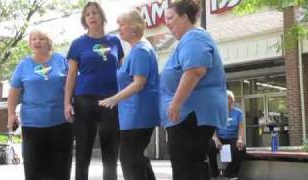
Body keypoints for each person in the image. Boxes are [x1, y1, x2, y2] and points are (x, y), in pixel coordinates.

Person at [160, 0, 228, 180]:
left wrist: (175, 103)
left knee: (186, 166)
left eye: (170, 17)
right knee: (190, 165)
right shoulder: (190, 39)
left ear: (184, 17)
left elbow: (195, 70)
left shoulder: (194, 37)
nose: (167, 23)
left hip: (192, 114)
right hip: (190, 115)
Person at [64, 1, 124, 180]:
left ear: (102, 16)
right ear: (84, 19)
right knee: (83, 149)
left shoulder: (114, 41)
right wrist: (67, 102)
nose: (91, 16)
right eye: (88, 14)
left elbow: (121, 70)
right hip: (85, 100)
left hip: (111, 100)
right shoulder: (78, 44)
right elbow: (71, 75)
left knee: (110, 150)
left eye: (94, 13)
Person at [99, 9, 160, 180]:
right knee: (135, 158)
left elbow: (139, 83)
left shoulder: (141, 50)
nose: (119, 29)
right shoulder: (136, 49)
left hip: (138, 114)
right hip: (133, 115)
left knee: (129, 159)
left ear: (134, 27)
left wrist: (113, 99)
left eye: (122, 25)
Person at [7, 30, 73, 180]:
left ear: (48, 42)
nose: (37, 42)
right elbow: (14, 91)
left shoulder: (61, 60)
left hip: (61, 122)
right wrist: (11, 114)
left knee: (61, 168)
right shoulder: (23, 65)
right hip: (33, 124)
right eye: (33, 39)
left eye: (41, 39)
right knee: (34, 169)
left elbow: (73, 83)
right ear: (30, 43)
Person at [208, 90, 246, 180]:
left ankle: (229, 173)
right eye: (225, 99)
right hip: (220, 138)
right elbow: (212, 129)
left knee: (241, 149)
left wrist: (240, 139)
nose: (227, 101)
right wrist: (216, 140)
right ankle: (214, 174)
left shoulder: (238, 113)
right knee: (209, 146)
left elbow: (241, 128)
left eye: (229, 99)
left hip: (232, 138)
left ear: (232, 101)